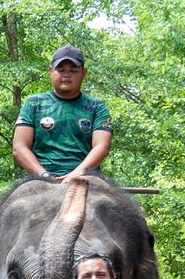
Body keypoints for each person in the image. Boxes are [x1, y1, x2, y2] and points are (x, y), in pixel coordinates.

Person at [13, 44, 111, 179]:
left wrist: (77, 173)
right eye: (60, 70)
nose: (66, 75)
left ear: (84, 73)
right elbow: (19, 147)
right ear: (50, 71)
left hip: (85, 177)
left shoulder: (97, 107)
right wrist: (44, 175)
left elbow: (102, 146)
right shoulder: (34, 104)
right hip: (39, 177)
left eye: (73, 70)